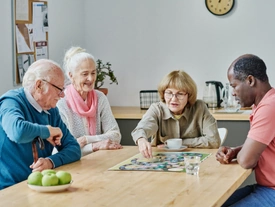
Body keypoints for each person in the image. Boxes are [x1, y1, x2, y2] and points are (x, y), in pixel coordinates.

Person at [0, 59, 81, 190]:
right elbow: (17, 132)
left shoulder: (51, 110)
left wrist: (50, 162)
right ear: (39, 85)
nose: (62, 95)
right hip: (8, 189)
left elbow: (73, 148)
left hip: (40, 187)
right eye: (59, 89)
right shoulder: (11, 101)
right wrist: (48, 131)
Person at [216, 54, 275, 206]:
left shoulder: (269, 107)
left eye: (234, 85)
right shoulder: (263, 104)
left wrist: (241, 154)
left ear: (250, 80)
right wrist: (236, 150)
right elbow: (266, 144)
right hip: (266, 187)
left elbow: (246, 161)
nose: (233, 93)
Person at [132, 70, 220, 158]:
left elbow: (214, 141)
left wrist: (178, 143)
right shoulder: (156, 109)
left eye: (180, 94)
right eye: (169, 93)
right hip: (163, 160)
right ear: (163, 93)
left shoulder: (200, 107)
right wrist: (141, 140)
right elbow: (140, 130)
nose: (174, 99)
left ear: (188, 96)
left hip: (192, 161)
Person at [57, 46, 122, 156]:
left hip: (99, 159)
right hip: (72, 163)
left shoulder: (100, 97)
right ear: (71, 75)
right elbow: (65, 148)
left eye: (93, 73)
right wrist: (95, 145)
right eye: (85, 74)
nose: (91, 79)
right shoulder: (61, 103)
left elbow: (115, 135)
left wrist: (86, 140)